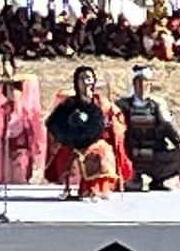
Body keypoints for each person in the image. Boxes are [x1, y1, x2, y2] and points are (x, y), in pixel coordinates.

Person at [45, 65, 132, 198]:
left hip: (96, 140)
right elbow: (53, 123)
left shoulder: (101, 101)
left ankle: (95, 188)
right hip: (73, 142)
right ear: (77, 82)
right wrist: (65, 134)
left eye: (89, 78)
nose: (86, 82)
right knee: (67, 152)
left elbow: (117, 117)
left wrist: (112, 124)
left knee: (102, 151)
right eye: (83, 78)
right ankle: (78, 188)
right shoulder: (69, 103)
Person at [116, 65, 180, 191]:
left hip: (153, 153)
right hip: (132, 155)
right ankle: (134, 176)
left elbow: (167, 127)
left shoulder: (156, 106)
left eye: (146, 82)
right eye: (139, 82)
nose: (143, 86)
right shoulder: (122, 105)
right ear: (134, 84)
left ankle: (158, 179)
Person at [0, 56, 45, 184]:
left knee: (20, 174)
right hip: (1, 133)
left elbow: (32, 113)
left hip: (20, 133)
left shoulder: (24, 87)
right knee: (3, 173)